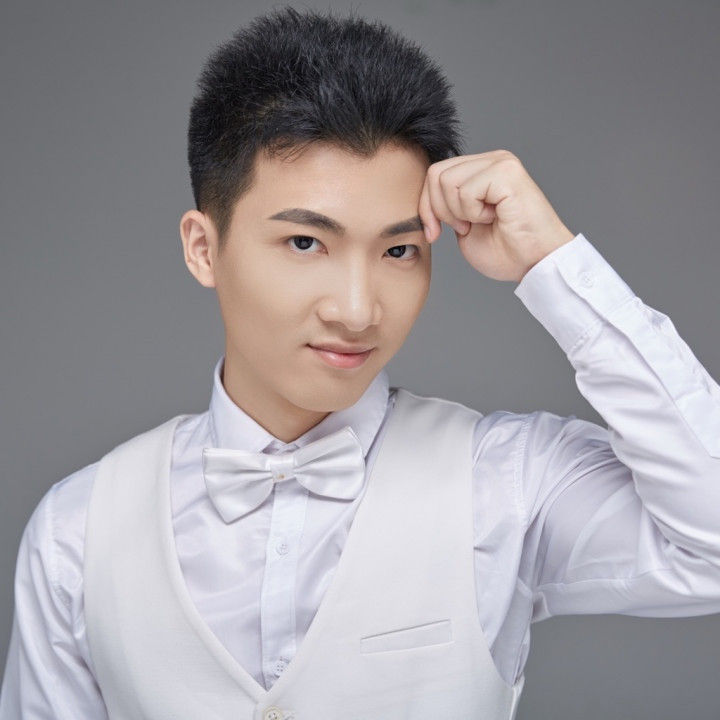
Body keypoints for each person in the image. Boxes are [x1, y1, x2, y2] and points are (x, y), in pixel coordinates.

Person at [1, 7, 719, 719]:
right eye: (305, 243)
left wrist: (552, 263)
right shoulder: (78, 530)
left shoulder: (504, 481)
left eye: (398, 250)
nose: (357, 309)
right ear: (203, 248)